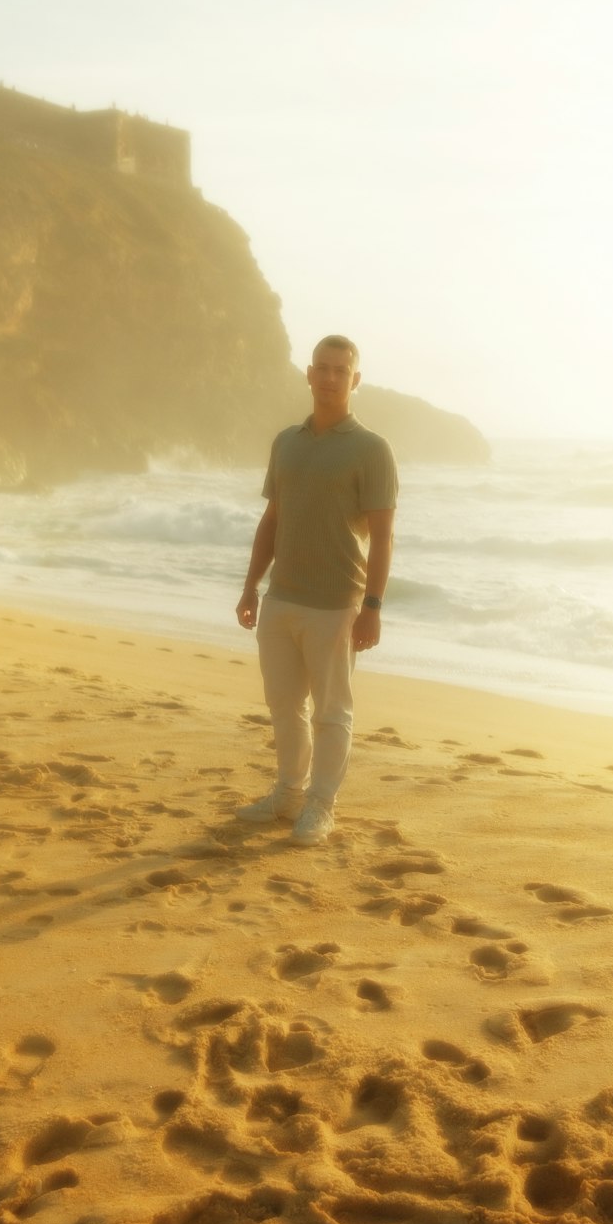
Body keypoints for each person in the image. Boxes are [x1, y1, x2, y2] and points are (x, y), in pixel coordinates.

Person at [235, 335, 398, 846]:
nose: (329, 378)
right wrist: (249, 587)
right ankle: (287, 794)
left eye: (340, 370)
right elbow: (272, 519)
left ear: (354, 381)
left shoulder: (371, 450)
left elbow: (383, 536)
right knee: (284, 707)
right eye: (322, 369)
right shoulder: (286, 442)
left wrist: (371, 607)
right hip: (280, 597)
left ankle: (320, 806)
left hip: (336, 605)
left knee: (332, 712)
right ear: (308, 374)